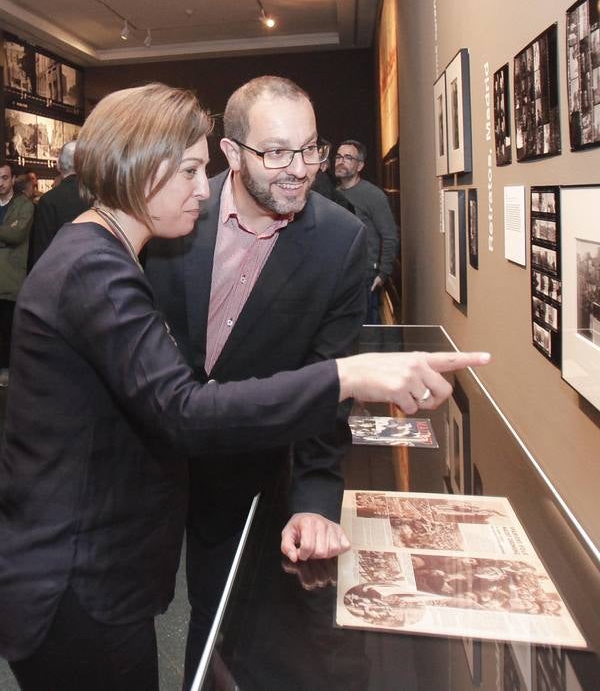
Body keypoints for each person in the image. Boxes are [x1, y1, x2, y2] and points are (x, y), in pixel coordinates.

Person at [0, 83, 489, 691]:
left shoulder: (105, 249)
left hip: (145, 536)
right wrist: (349, 374)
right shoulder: (99, 263)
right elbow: (181, 407)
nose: (200, 188)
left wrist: (312, 494)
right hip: (77, 567)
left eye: (309, 150)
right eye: (187, 170)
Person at [145, 76, 367, 681]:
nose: (298, 168)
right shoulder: (171, 213)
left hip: (246, 476)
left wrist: (317, 500)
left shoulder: (342, 243)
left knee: (221, 630)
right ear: (232, 153)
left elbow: (329, 384)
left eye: (310, 148)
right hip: (145, 465)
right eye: (276, 151)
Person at [335, 140, 399, 323]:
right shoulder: (334, 193)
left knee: (365, 335)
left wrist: (383, 274)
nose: (341, 161)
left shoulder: (373, 195)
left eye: (348, 157)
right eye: (338, 156)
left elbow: (390, 235)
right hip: (340, 278)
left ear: (360, 165)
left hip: (365, 279)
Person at [0, 160, 35, 384]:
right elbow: (9, 235)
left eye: (4, 178)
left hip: (10, 279)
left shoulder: (24, 205)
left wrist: (9, 234)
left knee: (7, 330)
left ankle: (6, 368)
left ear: (13, 179)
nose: (0, 183)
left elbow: (17, 236)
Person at [29, 140, 86, 267]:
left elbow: (41, 247)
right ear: (84, 164)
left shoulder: (48, 200)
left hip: (59, 270)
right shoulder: (96, 196)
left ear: (58, 165)